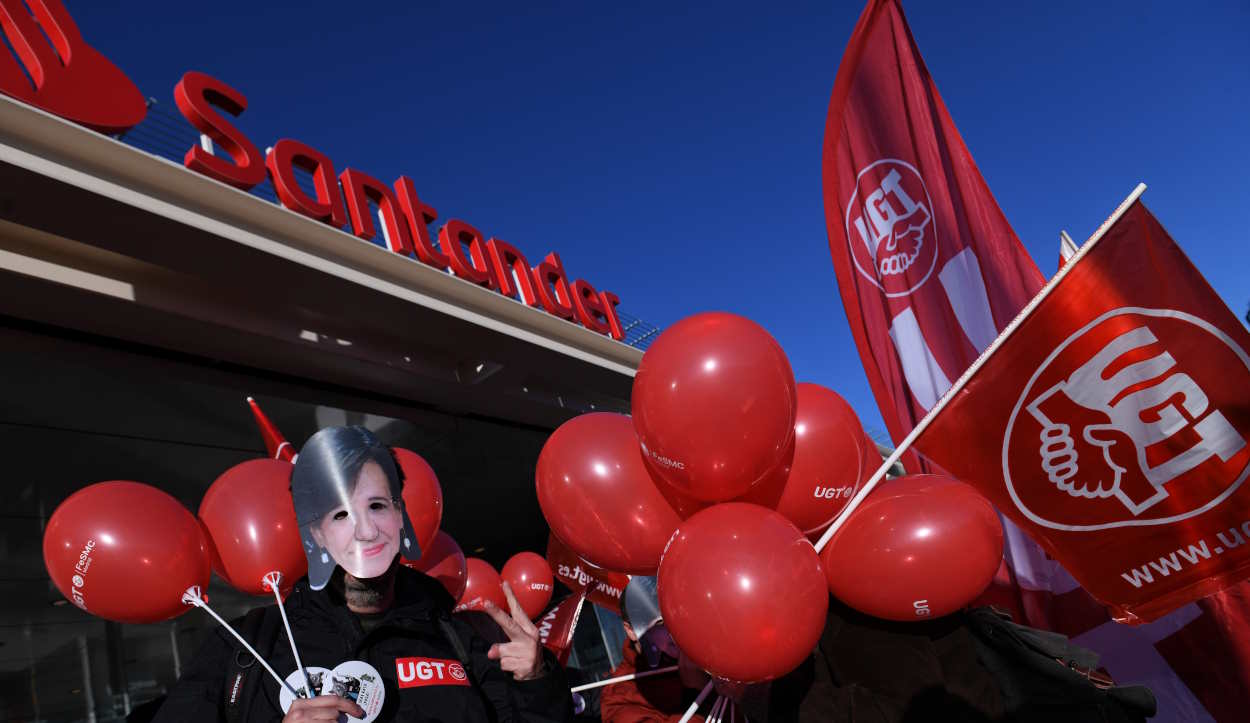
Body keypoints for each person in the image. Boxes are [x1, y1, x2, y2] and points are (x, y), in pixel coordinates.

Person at [154, 425, 573, 723]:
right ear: (315, 532)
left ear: (400, 518)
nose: (365, 531)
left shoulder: (464, 638)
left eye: (376, 506)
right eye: (340, 514)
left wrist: (535, 681)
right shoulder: (246, 647)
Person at [601, 577, 720, 723]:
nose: (674, 632)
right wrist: (696, 693)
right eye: (661, 622)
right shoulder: (620, 696)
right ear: (631, 630)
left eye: (677, 618)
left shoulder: (706, 653)